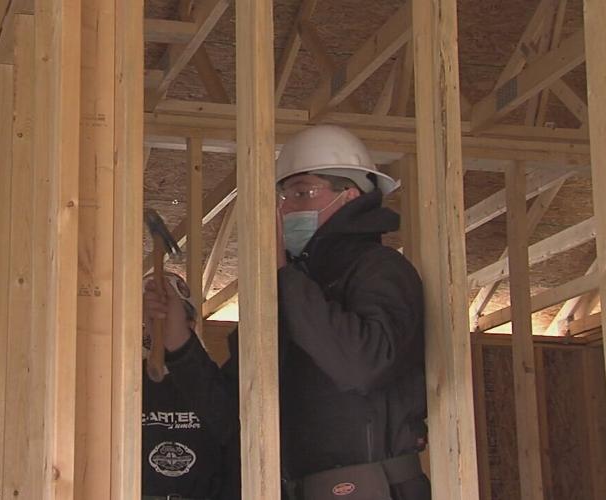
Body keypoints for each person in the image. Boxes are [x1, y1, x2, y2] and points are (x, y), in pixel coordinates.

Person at [167, 125, 430, 500]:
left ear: (349, 196)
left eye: (302, 193)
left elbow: (362, 364)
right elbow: (231, 413)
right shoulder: (288, 290)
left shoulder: (380, 271)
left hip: (373, 490)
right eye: (283, 196)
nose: (286, 209)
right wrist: (178, 341)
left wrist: (284, 276)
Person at [141, 271, 237, 500]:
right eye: (147, 321)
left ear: (191, 324)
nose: (155, 328)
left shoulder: (214, 385)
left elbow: (231, 430)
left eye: (165, 319)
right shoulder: (122, 388)